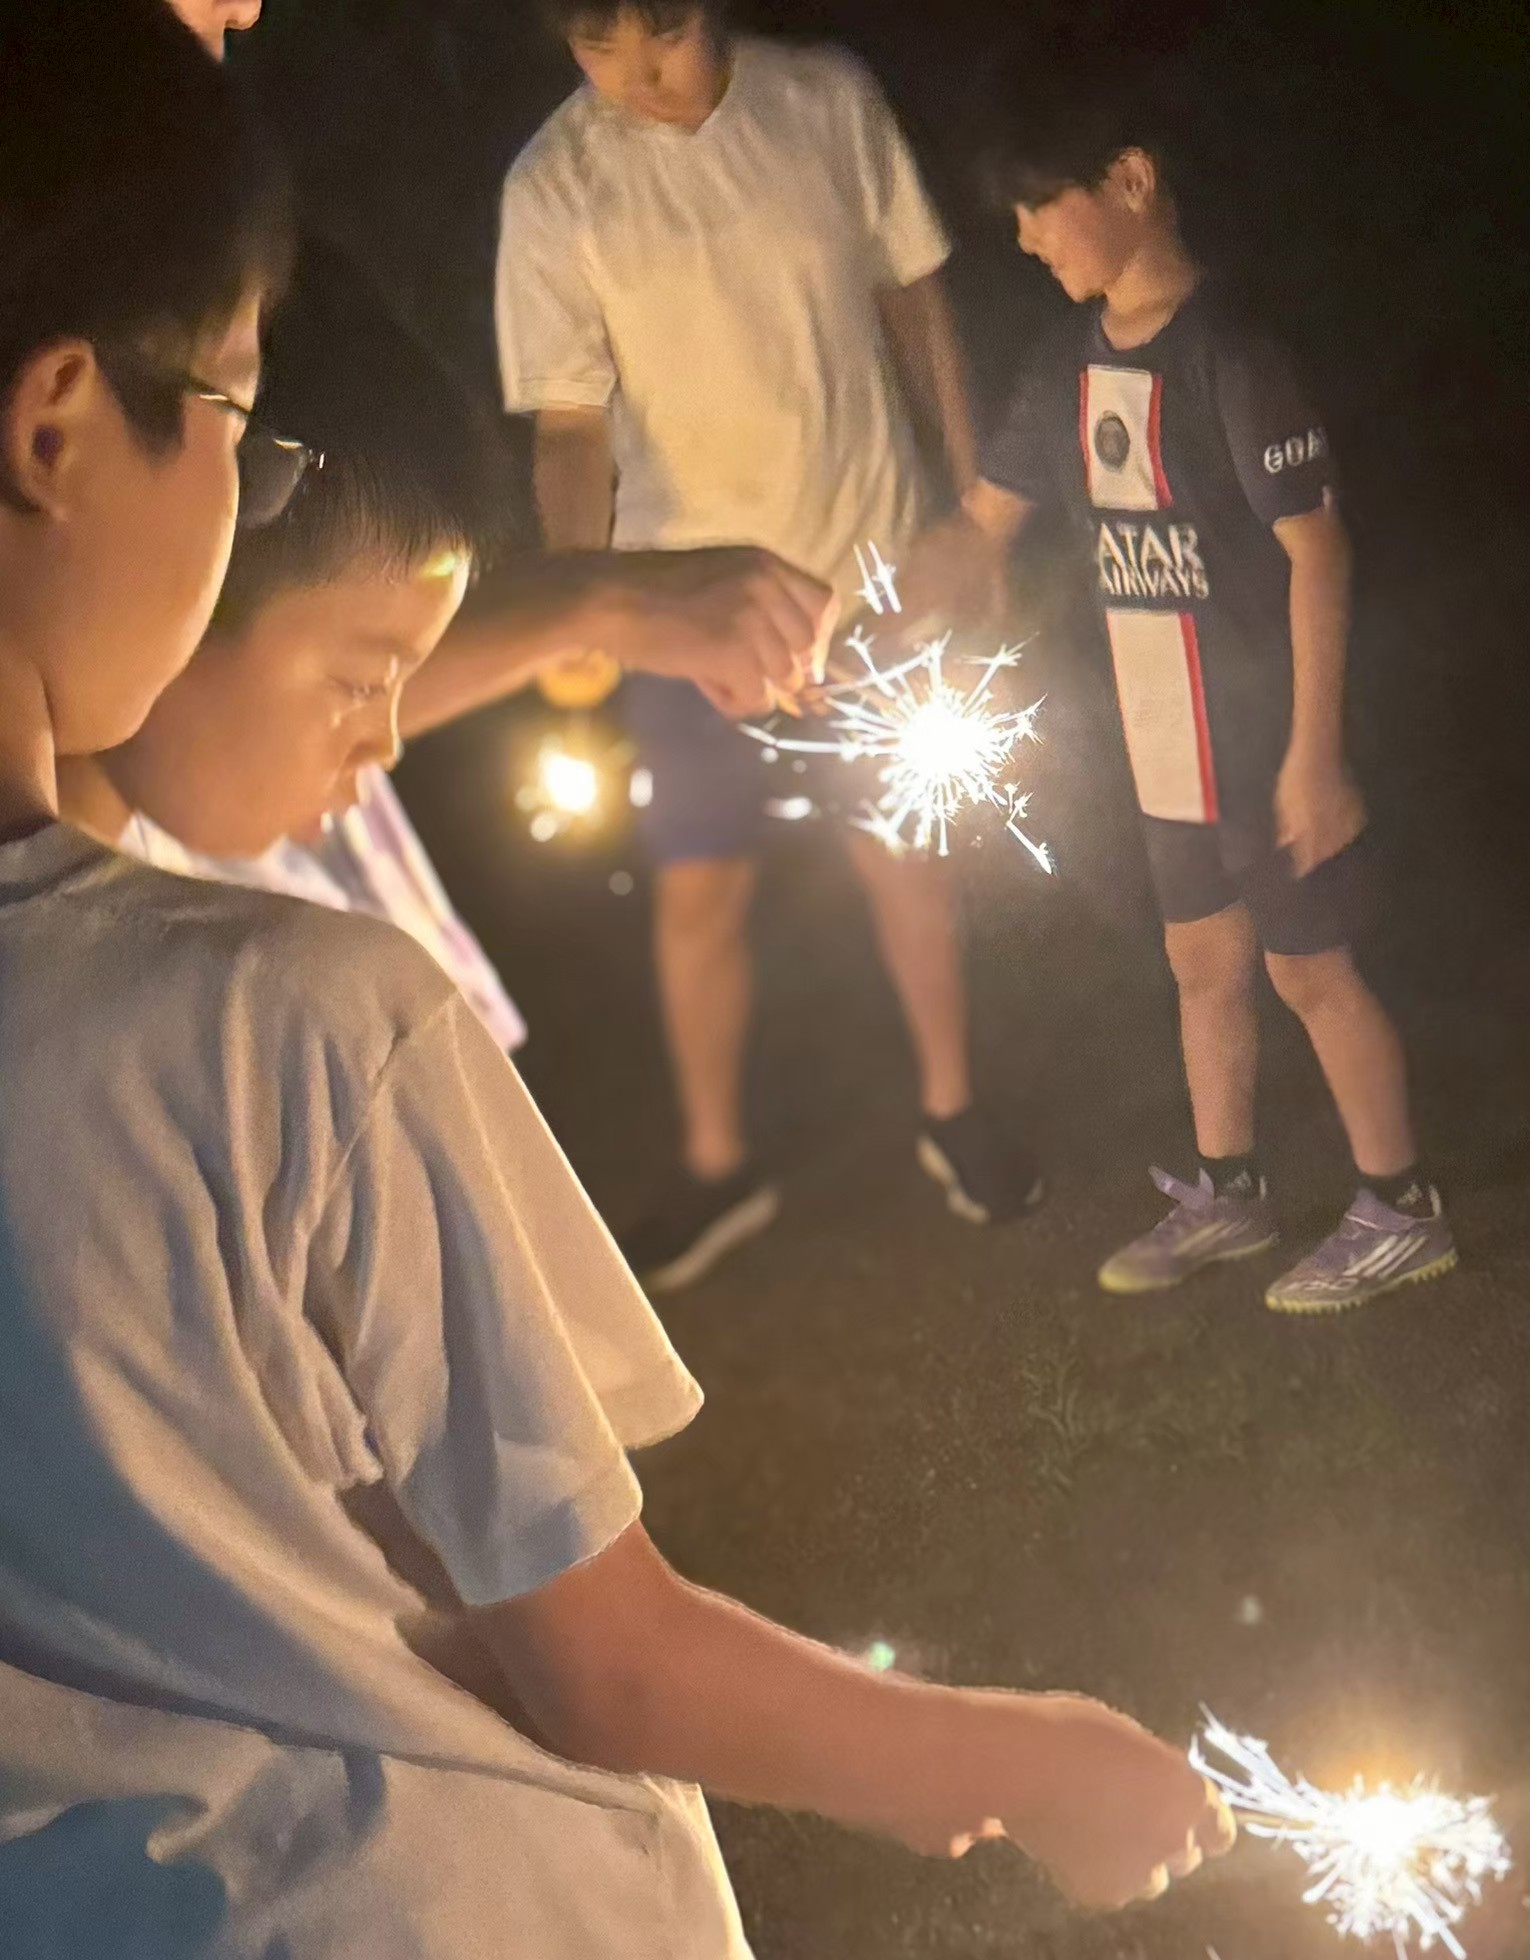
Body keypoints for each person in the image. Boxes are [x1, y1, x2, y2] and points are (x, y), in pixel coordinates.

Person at [0, 14, 1232, 1960]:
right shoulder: (302, 1025)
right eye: (240, 413)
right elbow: (599, 1652)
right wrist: (1010, 1760)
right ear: (58, 421)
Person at [128, 0, 837, 1056]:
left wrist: (588, 605)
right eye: (363, 683)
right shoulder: (175, 1020)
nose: (246, 8)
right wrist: (594, 601)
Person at [498, 0, 1043, 1290]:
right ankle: (716, 1164)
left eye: (664, 36)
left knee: (905, 855)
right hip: (686, 608)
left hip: (871, 569)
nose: (640, 75)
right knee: (699, 886)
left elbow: (916, 302)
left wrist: (974, 522)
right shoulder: (554, 186)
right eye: (598, 49)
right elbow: (570, 424)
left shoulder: (825, 101)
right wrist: (579, 599)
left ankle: (953, 1108)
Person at [908, 78, 1458, 1313]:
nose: (1024, 239)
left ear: (1131, 180)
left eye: (1039, 206)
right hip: (1165, 741)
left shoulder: (1231, 357)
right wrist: (871, 623)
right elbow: (980, 524)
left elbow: (1319, 552)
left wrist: (1315, 753)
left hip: (1262, 736)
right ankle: (1230, 1193)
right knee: (1201, 961)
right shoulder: (1064, 366)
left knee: (1310, 971)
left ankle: (1400, 1208)